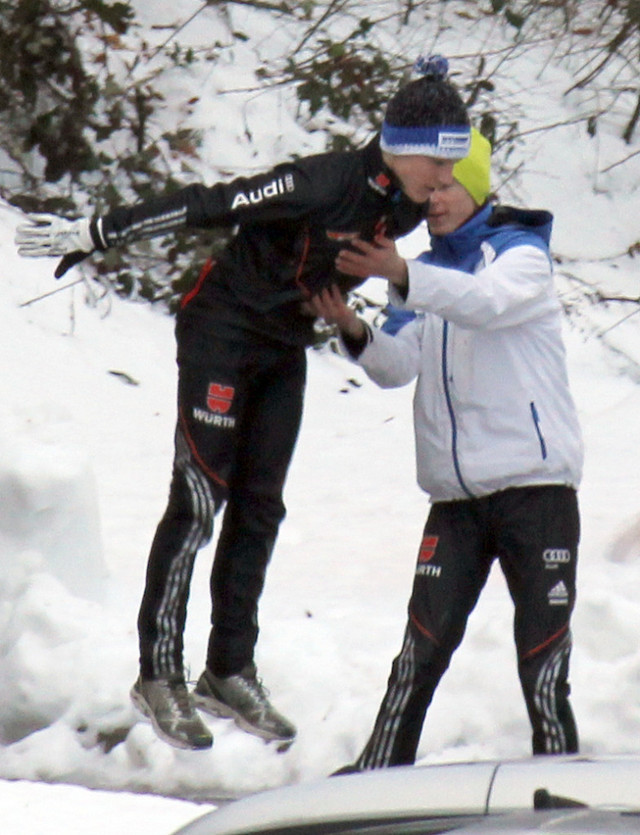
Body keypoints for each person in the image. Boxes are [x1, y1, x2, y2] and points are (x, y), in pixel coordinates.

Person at [14, 57, 471, 751]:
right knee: (200, 497)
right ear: (400, 147)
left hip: (284, 345)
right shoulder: (323, 181)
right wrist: (101, 230)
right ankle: (157, 673)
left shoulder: (408, 203)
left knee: (261, 506)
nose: (446, 179)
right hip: (222, 330)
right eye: (439, 163)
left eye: (455, 164)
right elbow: (213, 201)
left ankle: (227, 669)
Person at [311, 127, 584, 769]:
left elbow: (484, 306)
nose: (433, 199)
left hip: (535, 490)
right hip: (456, 500)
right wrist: (351, 326)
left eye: (448, 184)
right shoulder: (424, 274)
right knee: (420, 650)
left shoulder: (519, 255)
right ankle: (378, 770)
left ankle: (561, 778)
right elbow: (397, 364)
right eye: (429, 186)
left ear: (478, 185)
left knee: (541, 655)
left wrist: (401, 272)